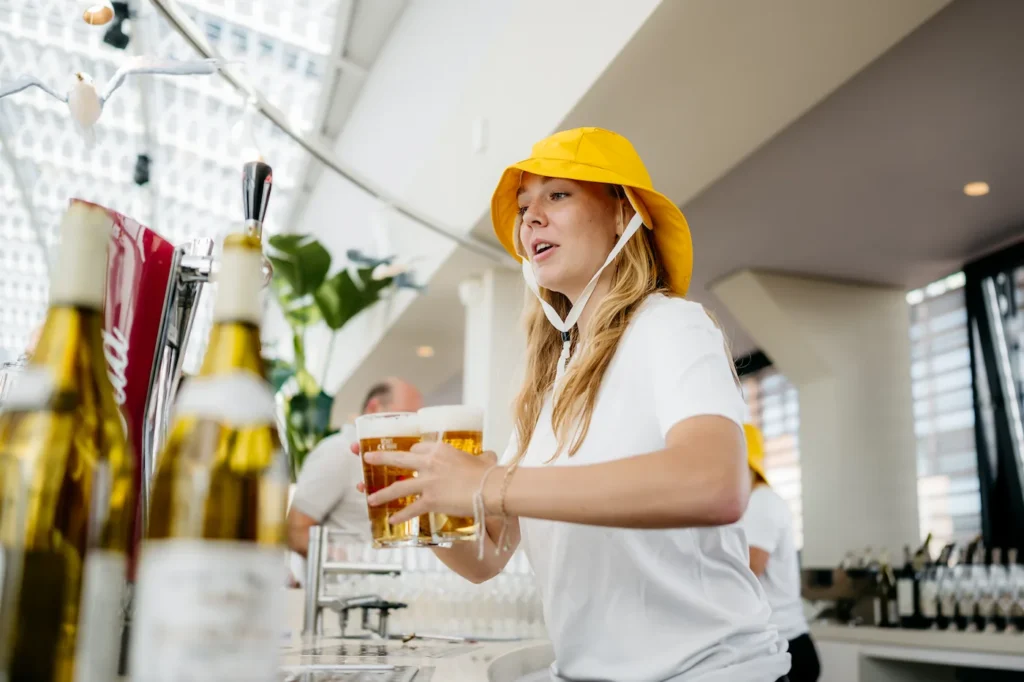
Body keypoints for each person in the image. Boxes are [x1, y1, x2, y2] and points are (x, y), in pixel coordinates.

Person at [355, 128, 791, 681]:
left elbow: (715, 485)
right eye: (523, 206)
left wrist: (487, 484)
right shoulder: (548, 381)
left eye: (556, 194)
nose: (530, 217)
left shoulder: (670, 326)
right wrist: (419, 503)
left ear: (621, 213)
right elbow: (488, 559)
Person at [287, 377, 423, 556]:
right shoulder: (337, 452)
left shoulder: (399, 463)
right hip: (347, 582)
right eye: (405, 417)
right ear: (374, 408)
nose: (414, 429)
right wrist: (348, 562)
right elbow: (295, 531)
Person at [739, 424, 820, 682]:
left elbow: (749, 570)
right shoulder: (754, 503)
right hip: (782, 643)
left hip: (786, 645)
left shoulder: (761, 503)